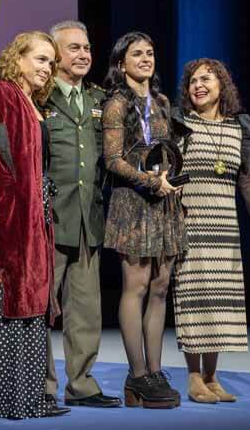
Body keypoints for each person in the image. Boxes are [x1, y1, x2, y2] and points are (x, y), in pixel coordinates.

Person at [0, 31, 65, 420]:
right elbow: (2, 158)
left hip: (32, 217)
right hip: (10, 219)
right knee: (9, 299)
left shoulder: (33, 103)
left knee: (32, 298)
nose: (46, 68)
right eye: (39, 59)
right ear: (17, 58)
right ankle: (6, 399)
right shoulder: (3, 92)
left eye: (50, 62)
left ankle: (28, 397)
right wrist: (7, 213)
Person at [171, 58, 250, 404]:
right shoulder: (180, 123)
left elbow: (246, 176)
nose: (198, 86)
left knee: (219, 301)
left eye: (206, 79)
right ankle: (193, 377)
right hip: (191, 221)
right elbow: (167, 170)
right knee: (194, 298)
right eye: (192, 81)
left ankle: (213, 376)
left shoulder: (239, 128)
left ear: (222, 86)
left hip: (225, 225)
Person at [101, 31, 187, 409]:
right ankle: (136, 375)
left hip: (164, 201)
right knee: (135, 286)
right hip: (133, 202)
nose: (146, 59)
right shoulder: (117, 104)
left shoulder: (164, 103)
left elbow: (168, 149)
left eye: (150, 53)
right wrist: (149, 180)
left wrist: (173, 180)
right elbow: (112, 159)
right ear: (121, 64)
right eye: (137, 54)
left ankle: (154, 371)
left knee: (160, 286)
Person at [41, 21, 121, 409]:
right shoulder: (39, 98)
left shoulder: (99, 100)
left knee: (86, 311)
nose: (84, 54)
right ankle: (40, 386)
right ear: (55, 54)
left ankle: (83, 385)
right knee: (40, 308)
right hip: (49, 221)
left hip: (89, 220)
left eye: (87, 48)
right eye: (73, 48)